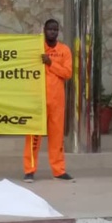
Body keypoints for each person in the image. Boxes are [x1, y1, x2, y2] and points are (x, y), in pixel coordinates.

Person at [23, 19, 74, 183]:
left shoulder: (64, 50)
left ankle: (58, 171)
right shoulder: (36, 48)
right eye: (50, 29)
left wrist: (51, 63)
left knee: (57, 137)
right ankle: (29, 170)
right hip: (37, 99)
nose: (53, 32)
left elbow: (67, 73)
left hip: (57, 101)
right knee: (33, 136)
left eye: (56, 30)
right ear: (44, 30)